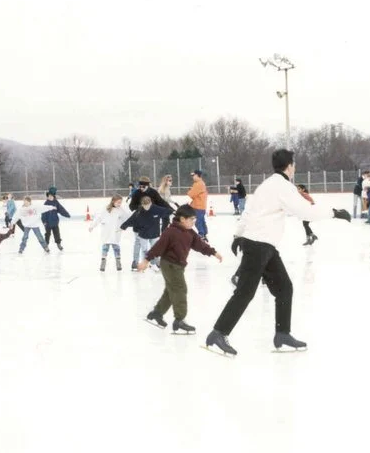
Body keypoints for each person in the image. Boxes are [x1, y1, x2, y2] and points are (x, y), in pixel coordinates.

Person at [204, 150, 351, 356]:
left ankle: (282, 334)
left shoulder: (266, 185)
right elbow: (305, 211)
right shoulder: (283, 186)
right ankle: (218, 333)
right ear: (290, 166)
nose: (295, 168)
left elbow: (249, 210)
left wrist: (238, 235)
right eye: (294, 165)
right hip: (258, 245)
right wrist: (333, 213)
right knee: (245, 292)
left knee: (284, 288)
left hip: (265, 246)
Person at [138, 204, 223, 334]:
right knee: (180, 289)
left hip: (178, 265)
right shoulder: (170, 232)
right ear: (182, 219)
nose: (193, 222)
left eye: (195, 220)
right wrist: (146, 260)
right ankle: (180, 320)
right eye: (192, 220)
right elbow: (158, 247)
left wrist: (213, 252)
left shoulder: (189, 231)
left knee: (171, 290)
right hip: (170, 264)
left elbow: (199, 244)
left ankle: (157, 313)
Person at [121, 195, 171, 271]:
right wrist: (123, 226)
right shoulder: (139, 211)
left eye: (148, 205)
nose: (147, 207)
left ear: (151, 203)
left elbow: (167, 211)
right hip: (143, 234)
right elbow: (131, 220)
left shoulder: (156, 209)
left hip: (154, 233)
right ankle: (145, 264)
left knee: (155, 249)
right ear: (142, 204)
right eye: (145, 206)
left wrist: (175, 213)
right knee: (145, 250)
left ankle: (155, 263)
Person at [89, 194, 131, 271]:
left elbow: (127, 218)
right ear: (113, 201)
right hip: (106, 231)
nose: (119, 204)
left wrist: (127, 225)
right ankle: (103, 263)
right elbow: (98, 218)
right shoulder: (105, 209)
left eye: (120, 202)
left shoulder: (121, 210)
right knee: (105, 247)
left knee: (116, 247)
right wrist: (92, 226)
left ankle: (118, 262)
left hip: (116, 232)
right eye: (118, 202)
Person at [187, 170, 209, 239]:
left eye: (193, 175)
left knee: (198, 221)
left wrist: (189, 191)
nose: (192, 177)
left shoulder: (198, 184)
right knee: (201, 220)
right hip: (201, 206)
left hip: (198, 206)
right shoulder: (200, 183)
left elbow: (191, 194)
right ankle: (204, 233)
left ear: (197, 175)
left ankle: (201, 234)